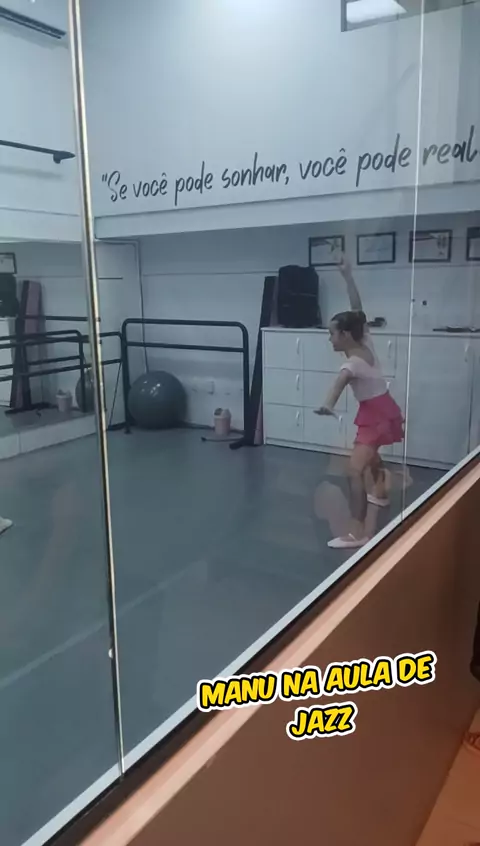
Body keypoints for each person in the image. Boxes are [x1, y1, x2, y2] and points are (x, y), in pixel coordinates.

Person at [315, 255, 404, 549]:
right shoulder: (364, 339)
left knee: (353, 470)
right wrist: (348, 276)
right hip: (382, 408)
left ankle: (357, 533)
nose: (330, 339)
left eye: (332, 334)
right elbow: (357, 309)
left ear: (344, 335)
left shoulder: (351, 364)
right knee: (372, 457)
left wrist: (327, 405)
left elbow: (339, 384)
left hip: (375, 415)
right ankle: (381, 493)